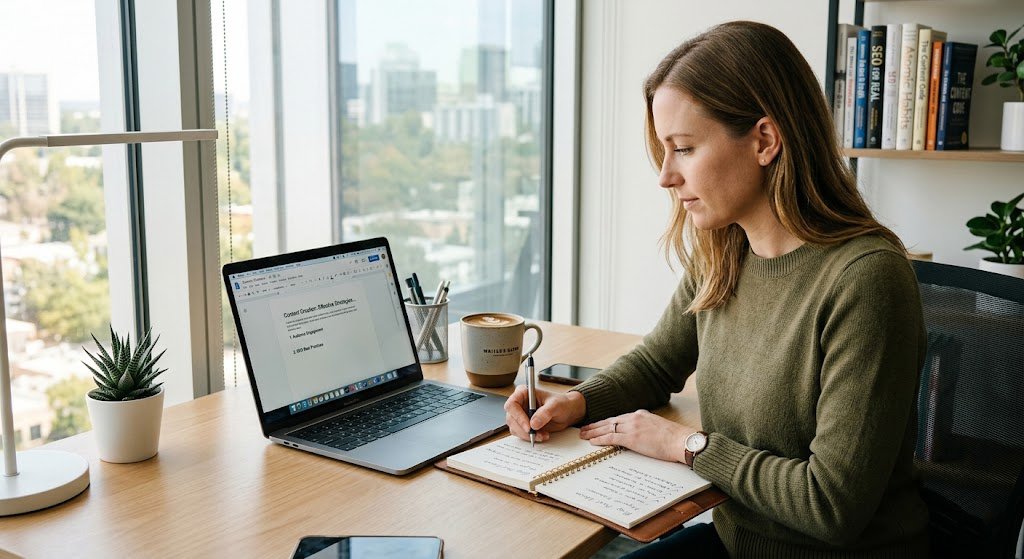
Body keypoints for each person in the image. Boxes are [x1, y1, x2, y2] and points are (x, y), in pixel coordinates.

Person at [504, 20, 930, 557]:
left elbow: (831, 505)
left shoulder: (866, 280)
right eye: (664, 150)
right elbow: (658, 365)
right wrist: (573, 402)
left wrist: (687, 445)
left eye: (683, 148)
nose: (665, 176)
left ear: (765, 140)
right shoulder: (725, 252)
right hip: (733, 541)